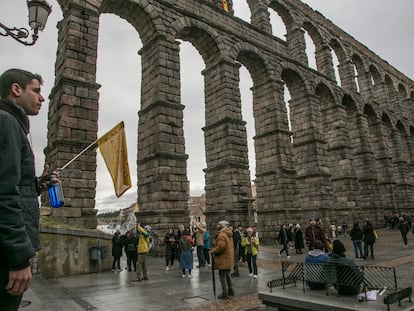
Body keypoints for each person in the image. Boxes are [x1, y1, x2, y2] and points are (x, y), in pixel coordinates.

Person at [0, 68, 56, 310]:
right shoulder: (7, 121)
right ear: (16, 89)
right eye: (36, 91)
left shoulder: (12, 123)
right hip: (6, 256)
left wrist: (35, 185)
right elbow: (4, 194)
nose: (42, 98)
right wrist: (19, 259)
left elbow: (12, 184)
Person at [210, 220, 235, 299]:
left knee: (223, 276)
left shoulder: (222, 235)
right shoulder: (228, 234)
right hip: (228, 258)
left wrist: (213, 251)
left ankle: (225, 293)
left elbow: (221, 247)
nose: (217, 226)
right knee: (227, 275)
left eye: (219, 225)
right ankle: (231, 290)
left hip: (223, 259)